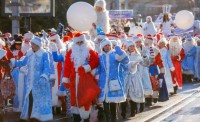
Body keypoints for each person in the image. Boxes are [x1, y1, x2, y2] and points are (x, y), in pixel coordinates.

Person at [10, 37, 53, 121]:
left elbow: (47, 67)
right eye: (31, 44)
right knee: (29, 98)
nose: (31, 45)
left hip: (40, 82)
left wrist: (44, 76)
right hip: (30, 82)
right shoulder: (29, 53)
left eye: (33, 44)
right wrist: (13, 61)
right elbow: (22, 62)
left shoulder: (44, 54)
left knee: (38, 100)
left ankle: (37, 117)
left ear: (37, 45)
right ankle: (30, 116)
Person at [62, 33, 100, 122]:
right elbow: (67, 66)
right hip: (74, 78)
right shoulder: (70, 52)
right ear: (74, 43)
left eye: (81, 42)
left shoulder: (89, 51)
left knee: (85, 97)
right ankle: (76, 118)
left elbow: (95, 61)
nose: (79, 44)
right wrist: (65, 78)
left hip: (86, 78)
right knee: (74, 99)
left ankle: (86, 118)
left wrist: (86, 68)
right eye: (77, 42)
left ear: (84, 41)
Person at [97, 38, 129, 122]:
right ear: (102, 47)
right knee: (105, 104)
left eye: (108, 45)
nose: (107, 47)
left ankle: (114, 119)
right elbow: (98, 69)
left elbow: (126, 61)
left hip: (113, 82)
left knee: (113, 104)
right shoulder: (100, 57)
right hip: (103, 83)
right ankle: (108, 119)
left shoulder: (115, 55)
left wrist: (120, 51)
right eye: (105, 46)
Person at [121, 40, 145, 119]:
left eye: (133, 46)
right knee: (125, 94)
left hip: (134, 77)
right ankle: (123, 112)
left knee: (133, 93)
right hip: (126, 76)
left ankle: (133, 110)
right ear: (128, 47)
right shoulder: (125, 55)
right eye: (130, 46)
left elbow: (141, 65)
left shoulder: (137, 55)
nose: (132, 48)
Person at [144, 35, 165, 105]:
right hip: (145, 69)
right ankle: (148, 98)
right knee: (146, 83)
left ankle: (155, 96)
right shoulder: (143, 50)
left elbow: (159, 61)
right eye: (146, 42)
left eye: (148, 42)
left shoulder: (156, 50)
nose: (146, 44)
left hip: (153, 69)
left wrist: (162, 69)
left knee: (155, 83)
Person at [134, 36, 153, 107]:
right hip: (136, 69)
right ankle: (139, 100)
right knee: (138, 84)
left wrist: (145, 57)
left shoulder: (144, 49)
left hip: (144, 68)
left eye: (139, 42)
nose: (138, 43)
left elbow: (148, 57)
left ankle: (148, 99)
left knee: (146, 83)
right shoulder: (133, 49)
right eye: (137, 42)